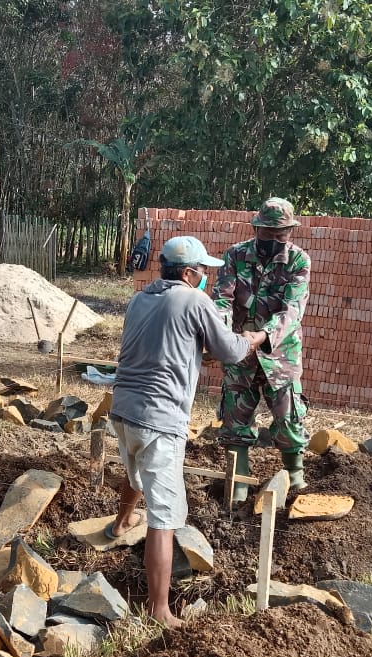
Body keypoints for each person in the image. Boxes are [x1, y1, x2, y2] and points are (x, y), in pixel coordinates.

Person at [107, 235, 266, 628]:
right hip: (160, 417)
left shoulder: (141, 299)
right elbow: (231, 350)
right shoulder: (195, 300)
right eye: (204, 271)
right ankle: (159, 610)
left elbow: (164, 343)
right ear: (189, 273)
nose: (207, 277)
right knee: (164, 515)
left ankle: (121, 522)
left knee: (135, 470)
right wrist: (254, 339)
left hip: (124, 408)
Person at [212, 197, 312, 502]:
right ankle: (238, 487)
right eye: (269, 233)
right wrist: (218, 333)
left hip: (279, 355)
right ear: (256, 229)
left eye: (282, 234)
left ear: (290, 231)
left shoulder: (298, 261)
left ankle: (295, 480)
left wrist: (263, 336)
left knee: (288, 418)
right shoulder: (235, 255)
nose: (275, 239)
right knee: (235, 420)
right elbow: (223, 299)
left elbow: (292, 310)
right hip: (240, 352)